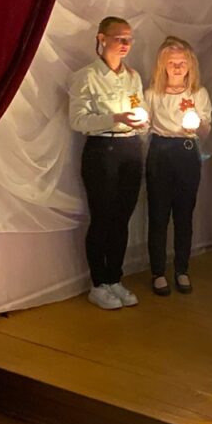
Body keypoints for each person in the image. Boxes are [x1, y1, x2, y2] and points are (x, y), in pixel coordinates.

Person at [68, 16, 147, 310]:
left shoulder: (133, 77)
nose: (125, 44)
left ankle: (114, 277)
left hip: (130, 148)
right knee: (102, 216)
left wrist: (141, 121)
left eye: (129, 39)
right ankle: (98, 283)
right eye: (119, 38)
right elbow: (77, 120)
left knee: (122, 217)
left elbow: (138, 107)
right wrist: (114, 118)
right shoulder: (86, 76)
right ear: (102, 39)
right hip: (102, 149)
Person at [144, 37, 212, 297]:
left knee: (184, 214)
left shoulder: (198, 94)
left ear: (190, 65)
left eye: (182, 63)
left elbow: (206, 130)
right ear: (163, 65)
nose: (177, 67)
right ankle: (158, 272)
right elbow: (144, 126)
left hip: (187, 153)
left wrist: (197, 125)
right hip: (160, 154)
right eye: (171, 63)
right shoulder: (152, 94)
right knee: (158, 214)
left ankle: (182, 268)